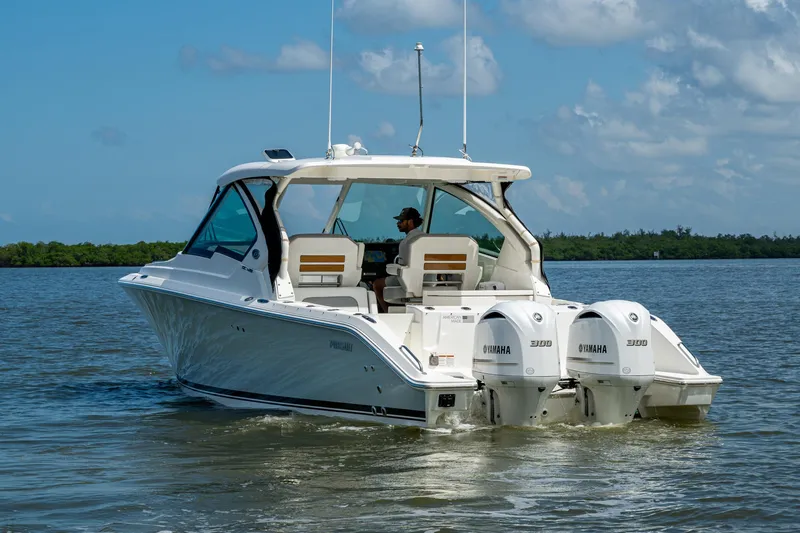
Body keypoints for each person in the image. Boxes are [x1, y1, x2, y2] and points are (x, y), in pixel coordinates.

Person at [373, 206, 423, 312]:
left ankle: (387, 312)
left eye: (401, 220)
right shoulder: (426, 238)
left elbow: (402, 267)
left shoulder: (406, 242)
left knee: (377, 284)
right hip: (427, 281)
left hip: (408, 281)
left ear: (410, 222)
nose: (398, 223)